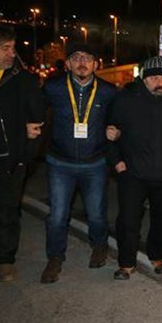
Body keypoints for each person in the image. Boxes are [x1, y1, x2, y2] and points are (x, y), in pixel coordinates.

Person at [40, 42, 117, 284]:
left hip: (94, 163)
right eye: (76, 57)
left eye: (87, 58)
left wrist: (116, 130)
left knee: (96, 214)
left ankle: (100, 246)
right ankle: (54, 257)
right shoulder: (53, 88)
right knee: (57, 215)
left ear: (96, 64)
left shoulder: (108, 91)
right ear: (68, 63)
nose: (82, 62)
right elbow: (34, 111)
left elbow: (118, 119)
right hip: (59, 163)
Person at [108, 56, 162, 280]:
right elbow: (109, 131)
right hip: (133, 173)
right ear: (144, 80)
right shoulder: (125, 99)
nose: (160, 82)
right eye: (154, 78)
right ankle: (126, 263)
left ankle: (157, 256)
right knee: (128, 220)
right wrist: (117, 162)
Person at [0, 22, 44, 282]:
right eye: (5, 48)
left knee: (7, 216)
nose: (12, 54)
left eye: (13, 48)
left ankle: (5, 260)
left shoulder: (20, 80)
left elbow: (37, 120)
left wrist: (24, 157)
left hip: (8, 164)